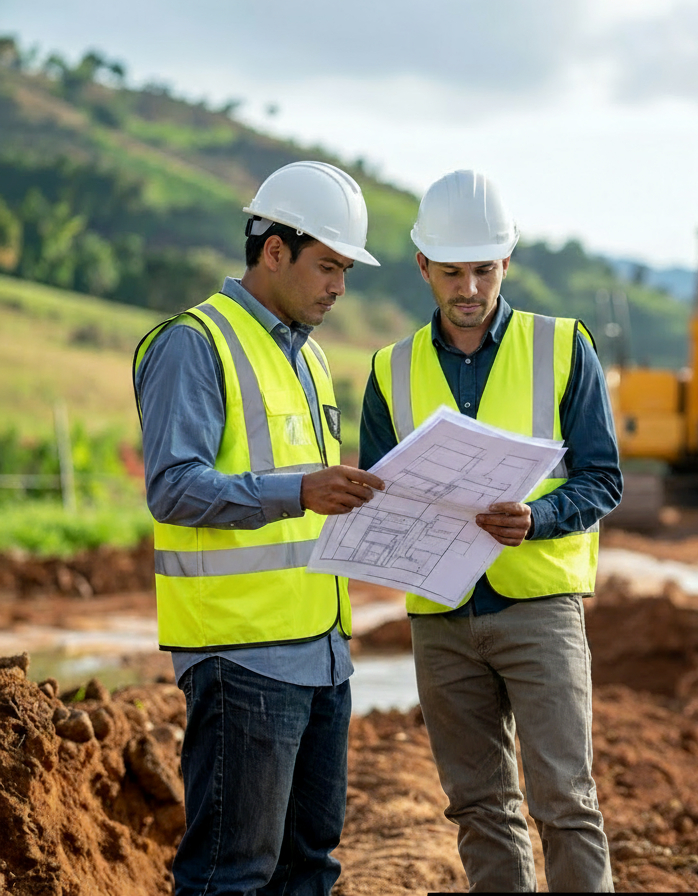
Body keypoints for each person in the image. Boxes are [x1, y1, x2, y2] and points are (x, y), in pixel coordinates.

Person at [359, 169, 621, 892]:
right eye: (451, 272)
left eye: (483, 269)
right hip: (440, 618)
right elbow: (383, 494)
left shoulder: (564, 347)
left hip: (538, 609)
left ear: (506, 262)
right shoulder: (390, 369)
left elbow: (604, 479)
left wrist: (538, 518)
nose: (468, 288)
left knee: (565, 803)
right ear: (423, 268)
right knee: (479, 807)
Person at [133, 160, 386, 895]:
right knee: (230, 875)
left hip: (321, 653)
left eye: (346, 270)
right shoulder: (194, 343)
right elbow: (174, 488)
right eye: (328, 266)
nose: (339, 287)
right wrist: (301, 490)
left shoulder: (306, 360)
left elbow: (307, 502)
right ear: (274, 249)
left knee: (309, 867)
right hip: (244, 656)